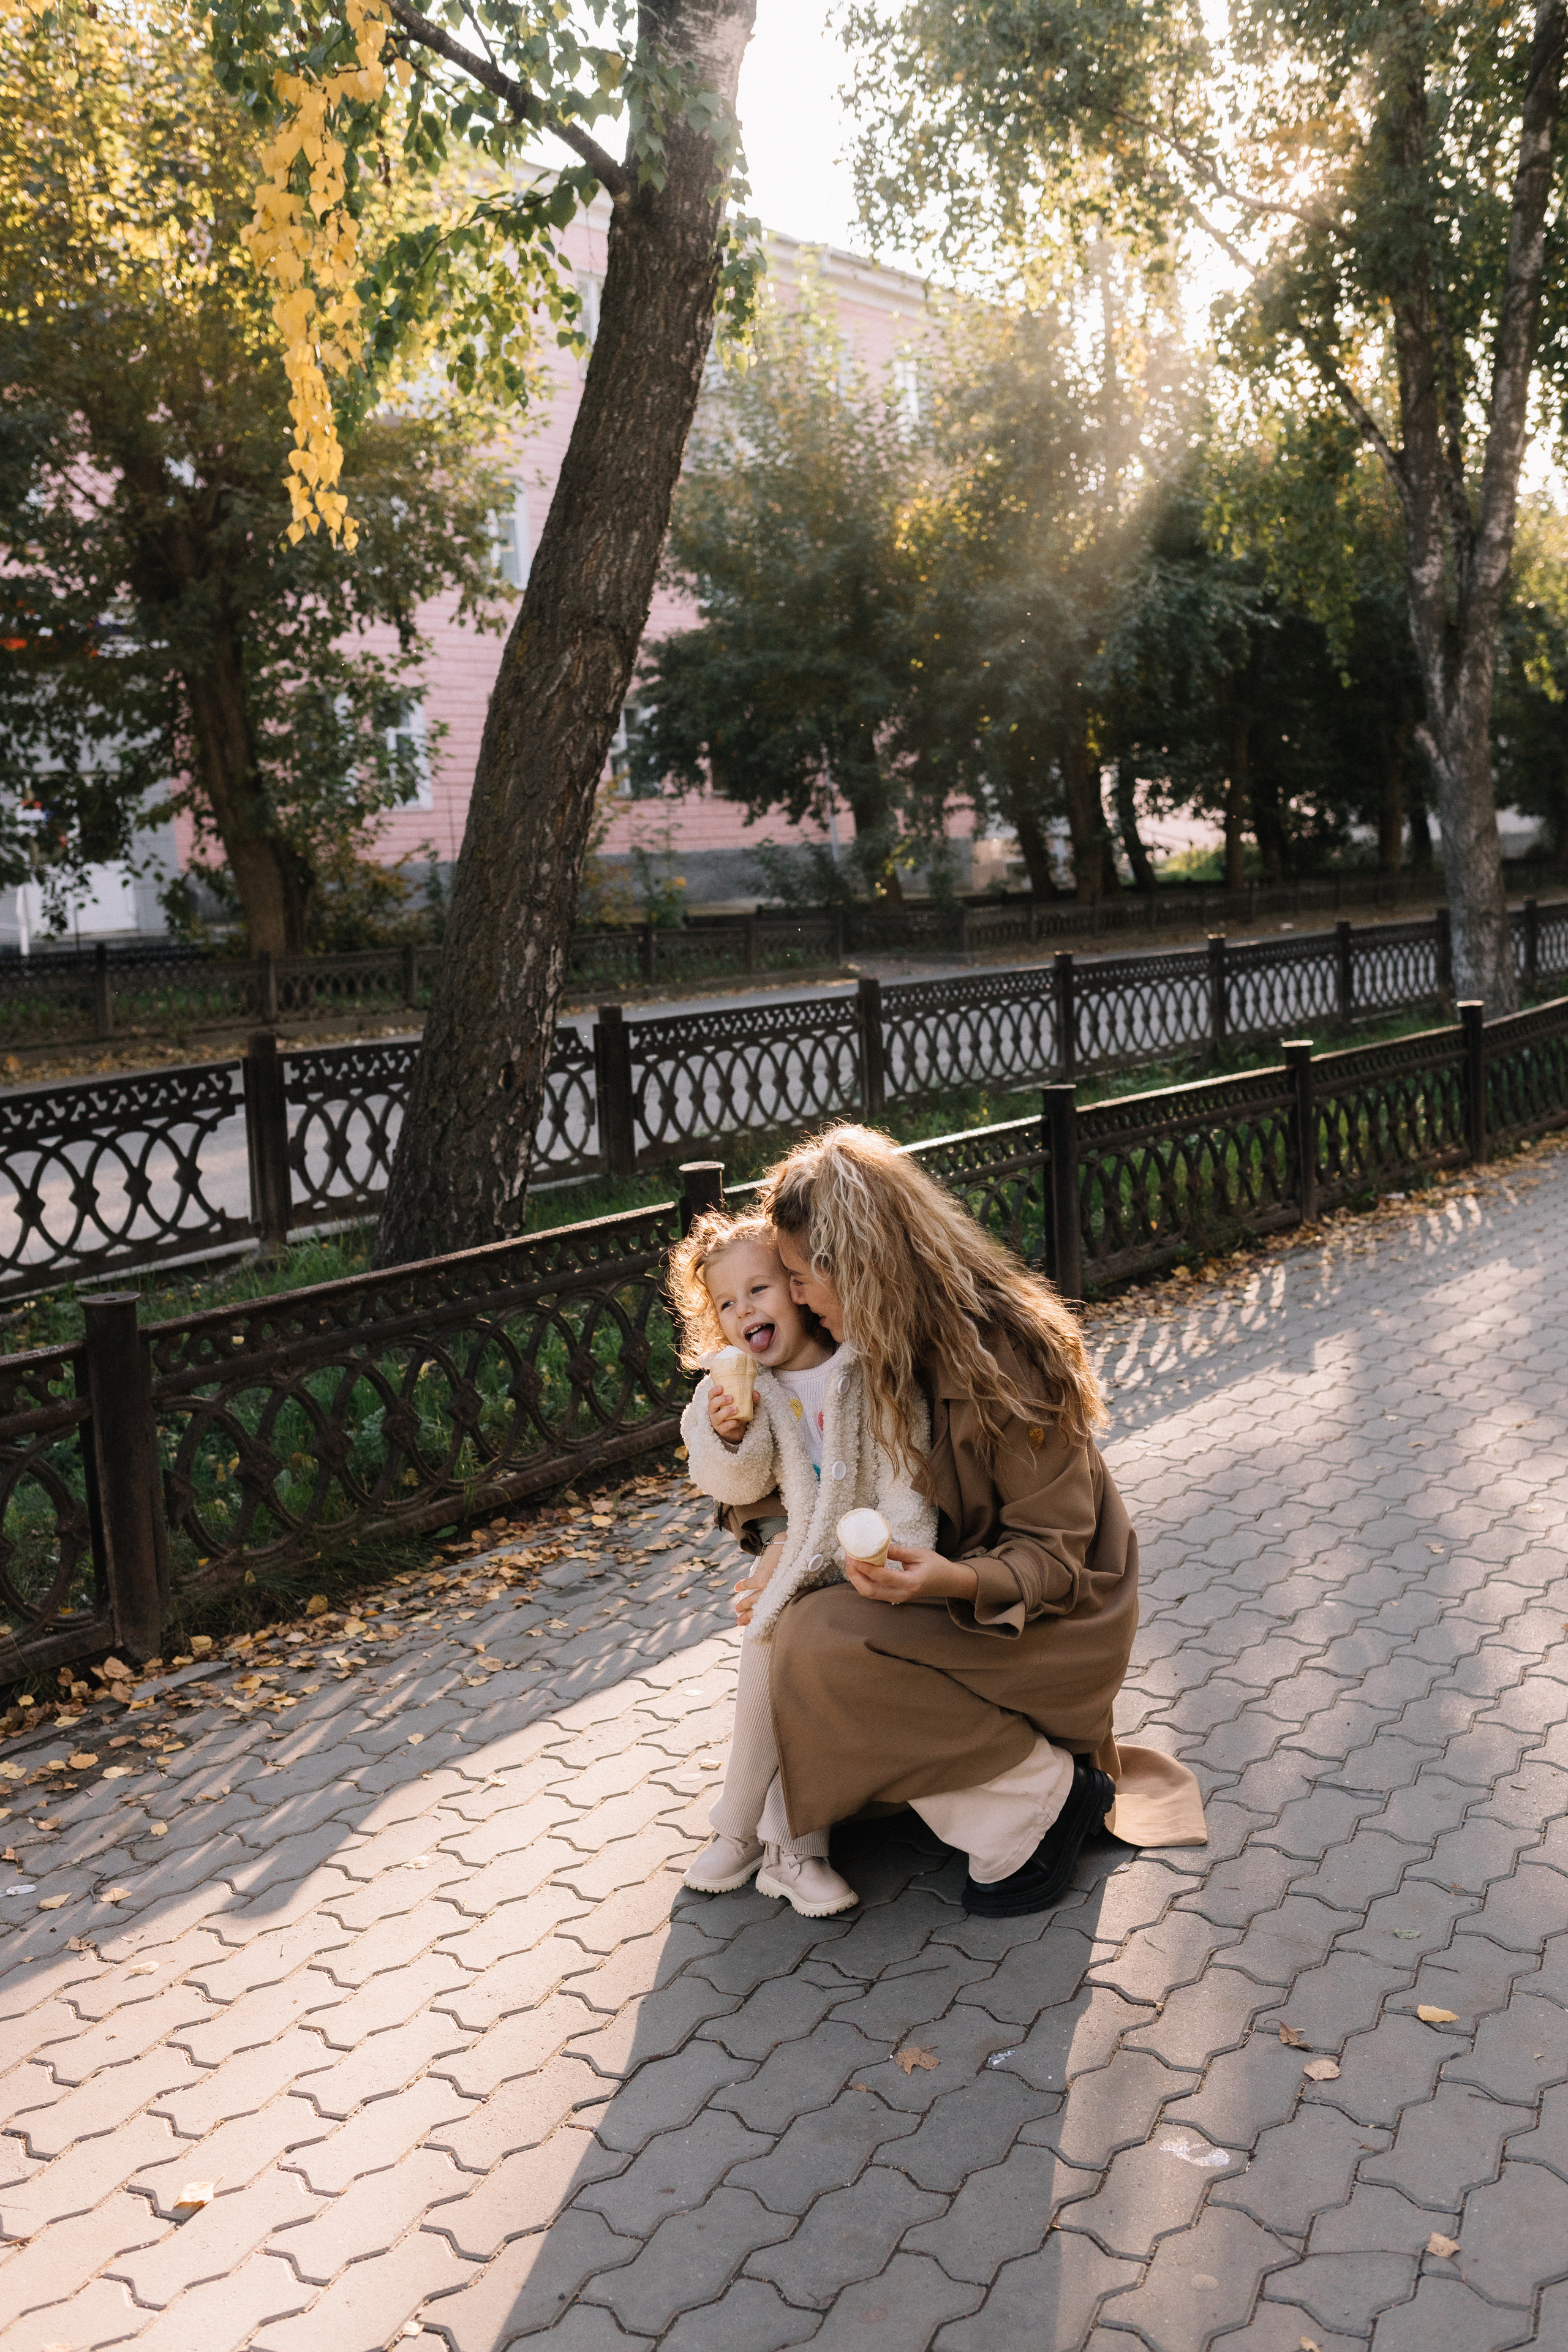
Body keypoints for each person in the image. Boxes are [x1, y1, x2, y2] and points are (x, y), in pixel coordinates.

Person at [755, 1125, 1206, 1917]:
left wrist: (948, 1579)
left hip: (1052, 1623)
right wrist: (757, 1499)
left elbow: (1057, 1562)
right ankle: (988, 1783)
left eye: (799, 1277)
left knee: (821, 1644)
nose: (794, 1298)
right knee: (794, 1623)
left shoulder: (1005, 1352)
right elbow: (798, 1467)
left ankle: (1043, 1803)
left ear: (853, 1265)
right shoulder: (859, 1339)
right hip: (954, 1600)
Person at [669, 1209, 936, 1917]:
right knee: (769, 1631)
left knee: (787, 1639)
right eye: (725, 1303)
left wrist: (906, 1558)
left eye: (759, 1289)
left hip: (859, 1558)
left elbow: (903, 1473)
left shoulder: (863, 1365)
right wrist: (730, 1432)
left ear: (797, 1288)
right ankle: (786, 1849)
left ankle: (747, 1830)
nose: (743, 1310)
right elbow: (735, 1486)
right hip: (796, 1558)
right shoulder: (734, 1391)